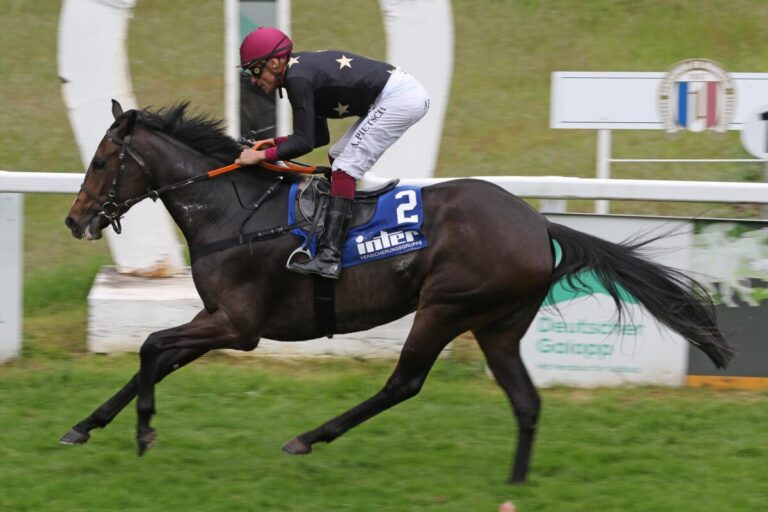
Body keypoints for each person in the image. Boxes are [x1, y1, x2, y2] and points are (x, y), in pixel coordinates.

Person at [235, 27, 430, 279]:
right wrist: (270, 143)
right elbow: (317, 137)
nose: (253, 78)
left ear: (274, 62)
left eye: (255, 69)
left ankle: (329, 257)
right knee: (338, 155)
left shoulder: (297, 79)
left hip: (399, 98)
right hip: (397, 95)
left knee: (345, 166)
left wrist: (261, 156)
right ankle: (344, 231)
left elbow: (303, 142)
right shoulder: (298, 73)